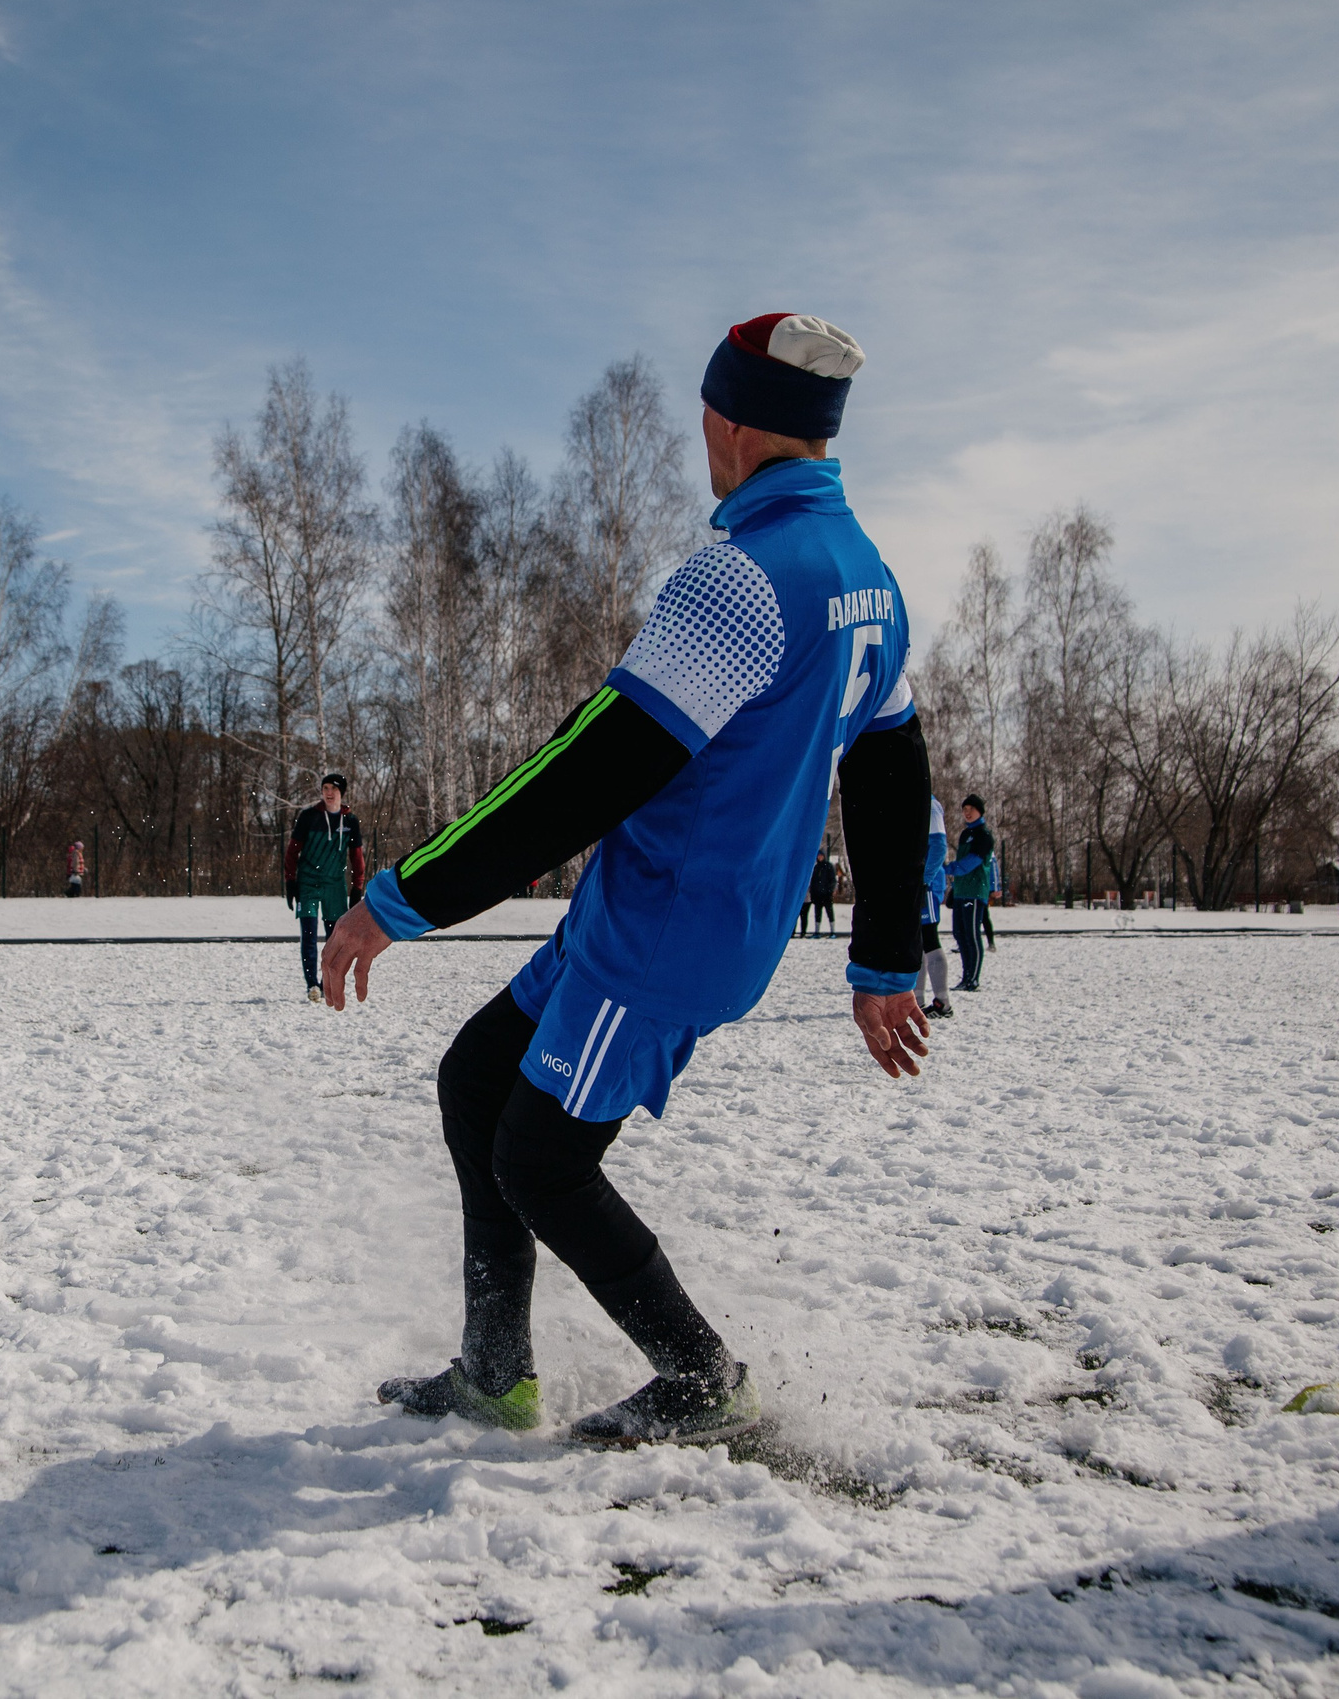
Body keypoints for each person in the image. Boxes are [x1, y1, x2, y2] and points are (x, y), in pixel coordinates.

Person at [319, 312, 932, 1446]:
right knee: (474, 1083)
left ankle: (702, 1379)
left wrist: (399, 898)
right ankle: (493, 1372)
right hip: (668, 917)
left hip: (663, 934)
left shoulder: (742, 584)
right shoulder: (865, 577)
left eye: (704, 411)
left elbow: (579, 779)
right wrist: (887, 953)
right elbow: (894, 764)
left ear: (730, 423)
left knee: (541, 1162)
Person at [284, 774, 366, 1003]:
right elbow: (292, 852)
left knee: (335, 938)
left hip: (334, 885)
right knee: (308, 936)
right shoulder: (309, 817)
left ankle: (325, 983)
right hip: (308, 883)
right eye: (325, 788)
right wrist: (290, 882)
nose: (329, 793)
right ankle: (312, 985)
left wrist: (357, 888)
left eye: (334, 789)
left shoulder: (350, 822)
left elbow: (357, 858)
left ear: (342, 793)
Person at [950, 795, 995, 991]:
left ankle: (973, 979)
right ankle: (966, 976)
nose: (967, 813)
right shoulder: (965, 834)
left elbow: (970, 864)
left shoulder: (983, 835)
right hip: (961, 891)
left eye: (971, 809)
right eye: (964, 809)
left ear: (980, 811)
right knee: (959, 934)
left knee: (972, 934)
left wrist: (948, 869)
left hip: (975, 892)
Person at [916, 796, 953, 1019]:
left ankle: (943, 1002)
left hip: (926, 886)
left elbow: (939, 846)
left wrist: (923, 879)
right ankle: (916, 1000)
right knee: (916, 941)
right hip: (916, 883)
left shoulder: (928, 804)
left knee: (928, 938)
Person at [800, 848, 838, 937]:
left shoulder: (828, 866)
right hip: (817, 895)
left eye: (821, 855)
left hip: (826, 895)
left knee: (830, 913)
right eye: (818, 855)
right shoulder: (816, 867)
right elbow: (813, 882)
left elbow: (833, 880)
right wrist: (813, 893)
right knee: (817, 914)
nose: (819, 857)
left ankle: (833, 932)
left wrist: (830, 891)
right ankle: (817, 932)